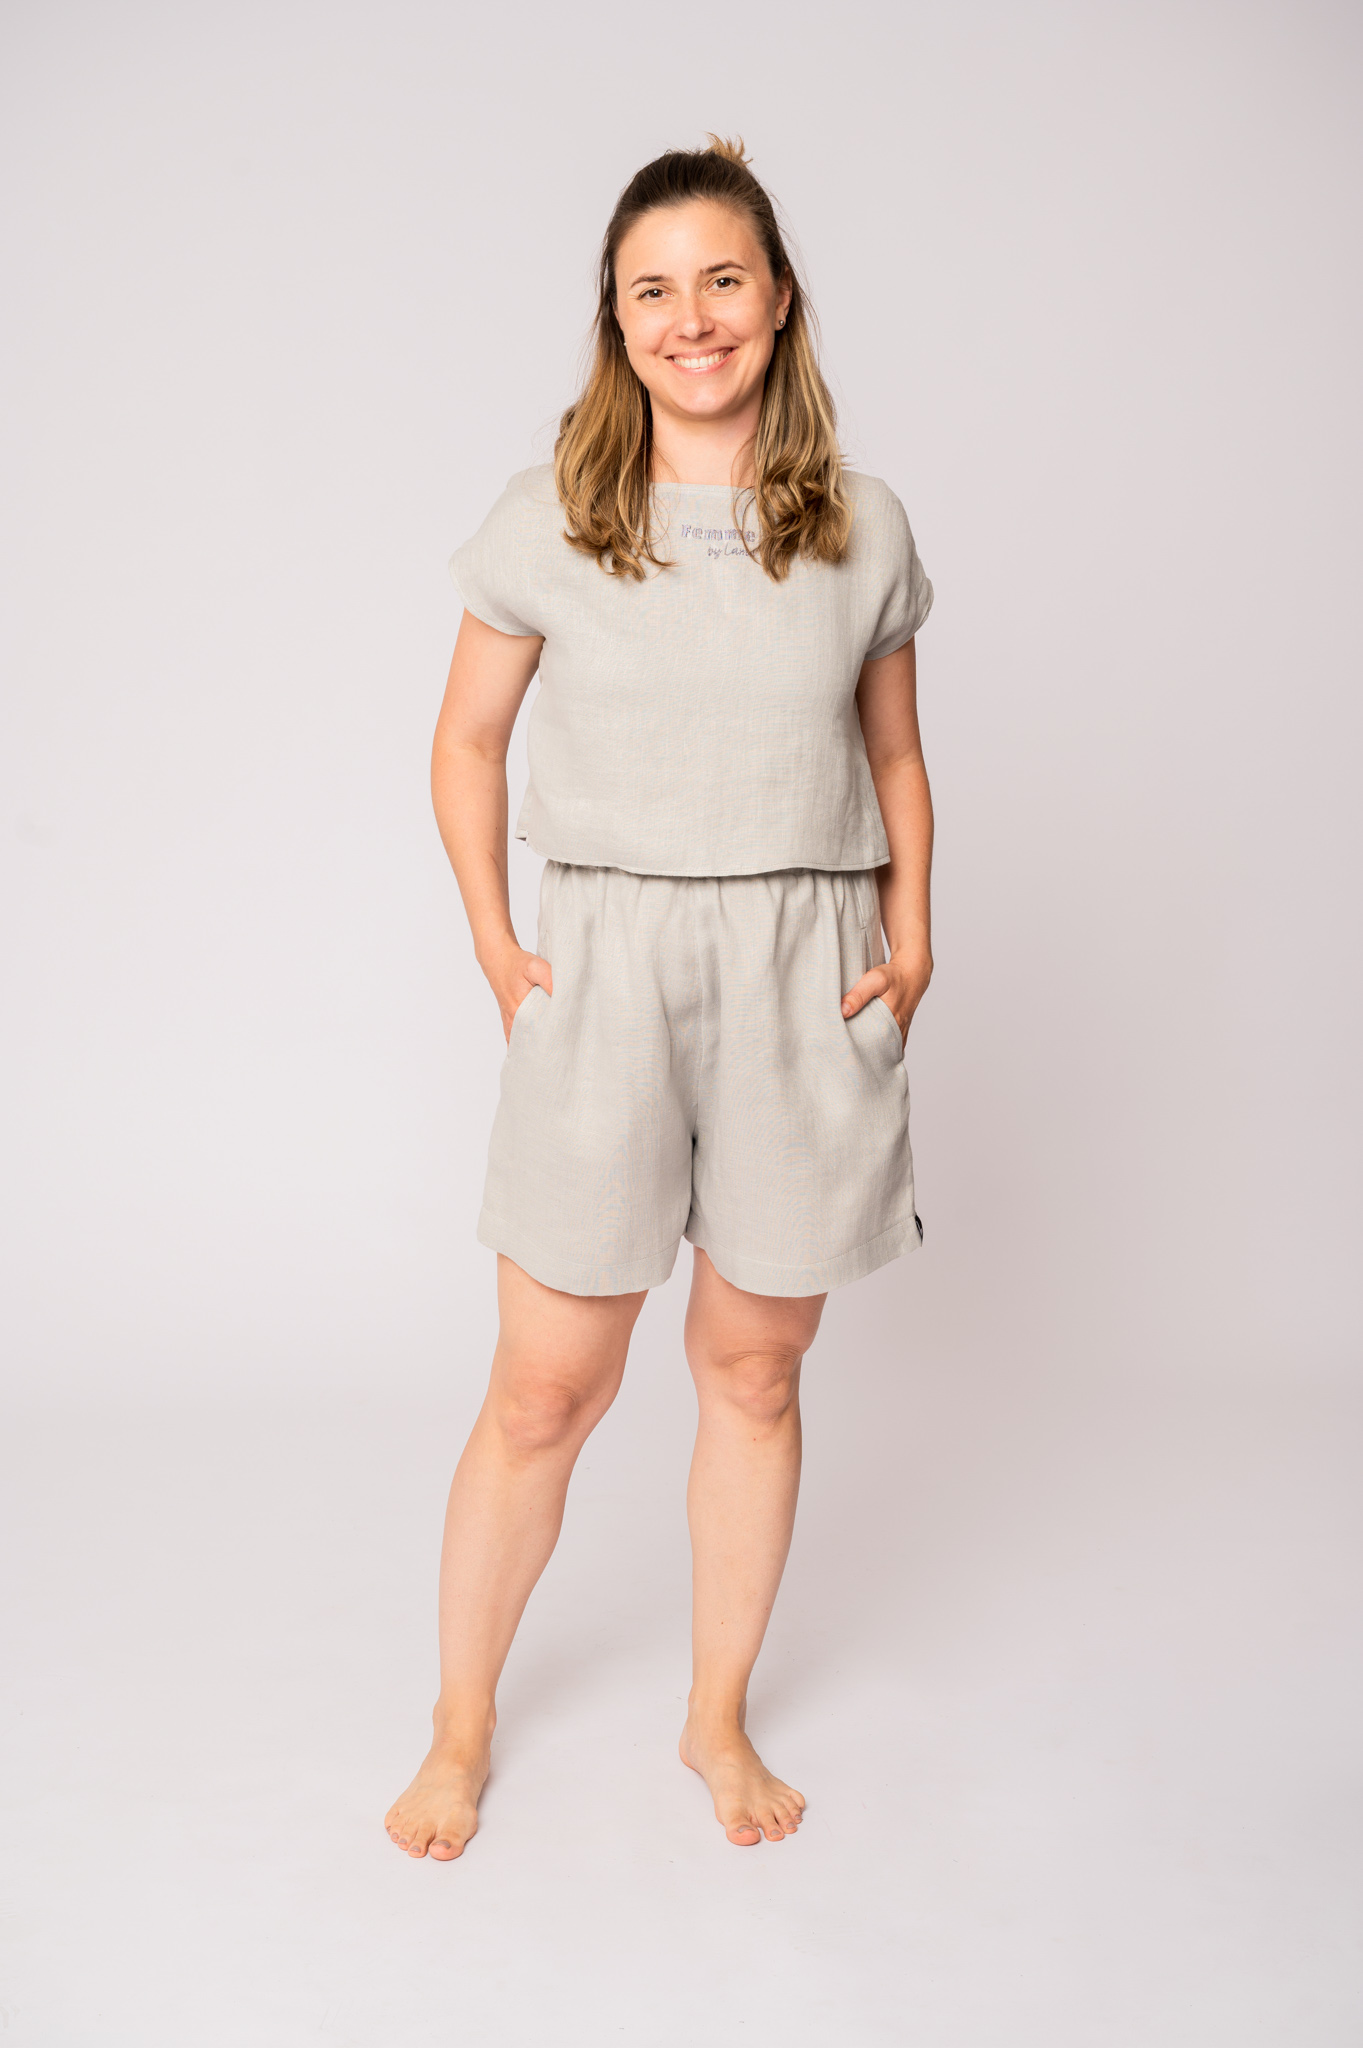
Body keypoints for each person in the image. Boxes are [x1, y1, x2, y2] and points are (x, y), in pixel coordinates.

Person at [386, 136, 935, 1861]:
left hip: (801, 968)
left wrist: (915, 933)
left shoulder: (862, 525)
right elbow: (466, 741)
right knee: (544, 1387)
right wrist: (497, 941)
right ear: (616, 322)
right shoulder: (554, 510)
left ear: (777, 300)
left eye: (721, 280)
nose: (691, 318)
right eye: (653, 290)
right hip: (611, 967)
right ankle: (461, 1726)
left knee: (756, 1372)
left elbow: (895, 758)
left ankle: (717, 1717)